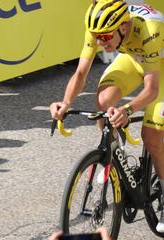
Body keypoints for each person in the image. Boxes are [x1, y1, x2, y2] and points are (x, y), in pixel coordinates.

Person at [49, 0, 164, 232]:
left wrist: (128, 110)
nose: (100, 42)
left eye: (105, 37)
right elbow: (81, 72)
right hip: (135, 58)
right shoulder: (100, 26)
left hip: (159, 67)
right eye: (97, 37)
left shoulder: (150, 30)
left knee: (152, 138)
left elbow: (151, 89)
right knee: (103, 101)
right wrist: (65, 102)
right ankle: (111, 153)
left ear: (123, 27)